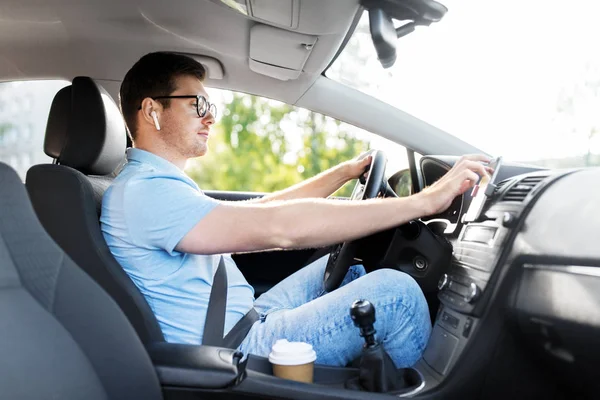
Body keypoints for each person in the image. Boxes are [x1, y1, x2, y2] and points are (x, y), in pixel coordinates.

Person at [101, 52, 490, 368]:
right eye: (198, 103)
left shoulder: (153, 186)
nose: (209, 117)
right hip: (232, 347)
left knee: (348, 271)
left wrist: (342, 174)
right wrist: (426, 201)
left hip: (242, 318)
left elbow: (260, 211)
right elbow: (278, 228)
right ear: (152, 111)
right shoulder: (144, 193)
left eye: (211, 107)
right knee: (397, 294)